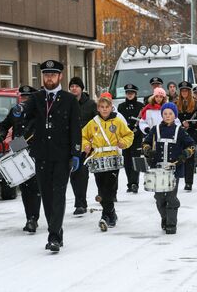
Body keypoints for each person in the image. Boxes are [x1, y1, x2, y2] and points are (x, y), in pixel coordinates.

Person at [13, 60, 81, 253]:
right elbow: (26, 109)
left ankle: (54, 237)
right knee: (48, 197)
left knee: (58, 195)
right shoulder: (37, 97)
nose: (49, 78)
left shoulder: (69, 100)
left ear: (60, 76)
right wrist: (20, 110)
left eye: (53, 75)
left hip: (62, 155)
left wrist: (76, 153)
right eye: (46, 75)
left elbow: (76, 130)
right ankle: (56, 229)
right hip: (41, 155)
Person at [82, 95, 134, 231]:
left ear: (111, 107)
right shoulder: (92, 123)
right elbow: (83, 136)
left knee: (109, 188)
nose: (105, 110)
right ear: (98, 108)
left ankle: (105, 216)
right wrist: (86, 145)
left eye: (107, 107)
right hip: (97, 158)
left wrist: (123, 143)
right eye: (102, 107)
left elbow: (129, 135)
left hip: (113, 157)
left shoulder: (117, 121)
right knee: (101, 187)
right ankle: (112, 213)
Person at [142, 102, 195, 234]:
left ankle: (171, 223)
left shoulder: (180, 131)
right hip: (157, 170)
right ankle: (164, 218)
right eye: (165, 113)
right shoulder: (155, 129)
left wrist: (185, 154)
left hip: (174, 171)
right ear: (162, 115)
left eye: (170, 113)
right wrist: (148, 151)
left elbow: (191, 146)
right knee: (159, 198)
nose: (167, 116)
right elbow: (145, 143)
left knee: (171, 197)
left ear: (174, 115)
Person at [0, 85, 41, 233]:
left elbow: (40, 131)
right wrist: (1, 133)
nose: (24, 99)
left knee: (34, 187)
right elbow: (3, 125)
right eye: (22, 96)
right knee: (25, 188)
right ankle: (29, 217)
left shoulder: (39, 112)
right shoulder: (15, 111)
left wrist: (18, 144)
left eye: (28, 97)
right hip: (17, 151)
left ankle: (33, 219)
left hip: (34, 151)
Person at [68, 76, 98, 216]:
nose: (74, 88)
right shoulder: (66, 103)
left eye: (76, 86)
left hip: (86, 144)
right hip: (70, 144)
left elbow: (97, 123)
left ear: (82, 89)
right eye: (72, 86)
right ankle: (79, 201)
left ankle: (81, 203)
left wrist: (93, 141)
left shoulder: (90, 104)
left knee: (81, 173)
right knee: (74, 174)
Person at [175, 81, 197, 191]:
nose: (184, 93)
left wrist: (190, 123)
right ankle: (177, 179)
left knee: (190, 157)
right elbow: (173, 117)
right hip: (180, 133)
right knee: (180, 157)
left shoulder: (196, 103)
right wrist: (182, 123)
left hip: (192, 133)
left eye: (186, 91)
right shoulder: (176, 103)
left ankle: (188, 182)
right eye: (182, 91)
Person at [117, 84, 145, 193]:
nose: (129, 95)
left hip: (137, 136)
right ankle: (129, 183)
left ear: (135, 94)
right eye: (128, 93)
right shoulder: (121, 106)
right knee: (127, 161)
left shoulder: (140, 106)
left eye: (131, 93)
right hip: (125, 137)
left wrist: (137, 130)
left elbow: (142, 121)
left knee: (135, 160)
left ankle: (135, 183)